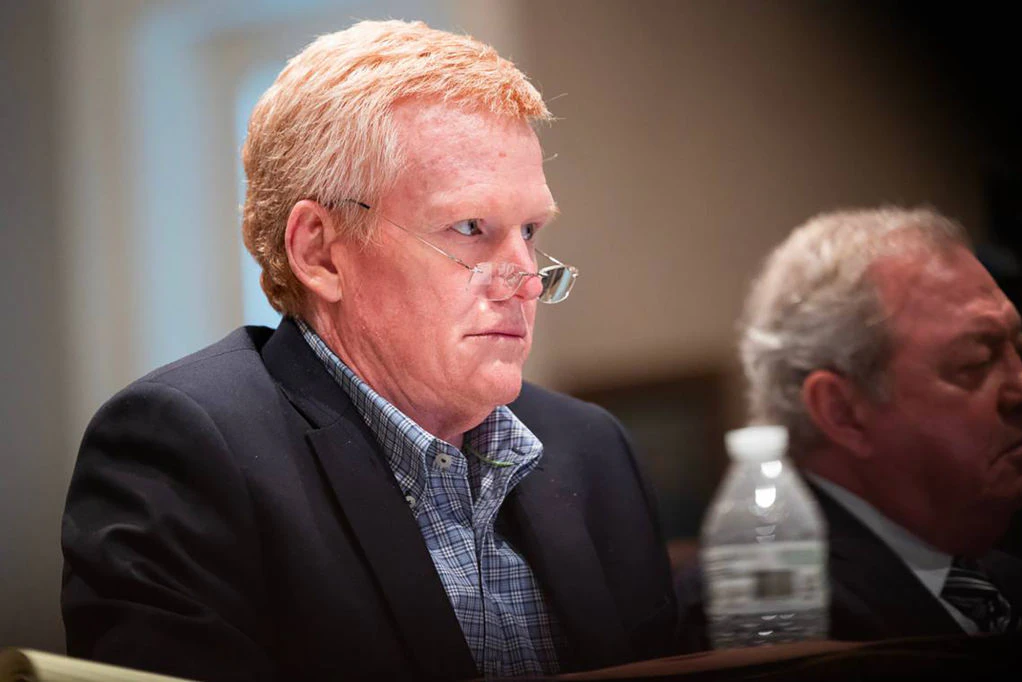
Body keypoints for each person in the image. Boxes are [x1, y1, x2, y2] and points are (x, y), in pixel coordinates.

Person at [61, 20, 677, 681]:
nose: (526, 279)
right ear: (320, 251)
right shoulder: (184, 450)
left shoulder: (593, 450)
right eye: (471, 228)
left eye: (530, 230)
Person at [682, 207, 1022, 645]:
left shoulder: (1004, 578)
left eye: (1018, 346)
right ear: (842, 411)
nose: (1018, 388)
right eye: (975, 362)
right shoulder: (768, 614)